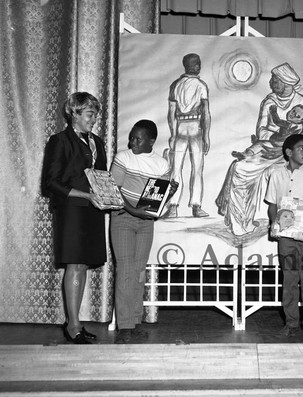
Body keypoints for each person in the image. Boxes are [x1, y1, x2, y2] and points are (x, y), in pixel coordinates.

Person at [216, 63, 303, 236]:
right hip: (269, 148)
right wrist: (276, 139)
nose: (270, 83)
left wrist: (290, 139)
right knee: (240, 168)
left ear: (285, 82)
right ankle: (242, 223)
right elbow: (261, 130)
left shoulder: (301, 102)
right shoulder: (269, 101)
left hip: (290, 154)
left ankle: (295, 225)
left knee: (294, 176)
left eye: (274, 80)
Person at [42, 92, 107, 344]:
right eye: (90, 115)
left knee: (82, 265)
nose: (94, 120)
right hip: (71, 210)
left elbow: (100, 177)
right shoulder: (59, 141)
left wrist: (106, 196)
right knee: (74, 264)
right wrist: (85, 195)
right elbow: (51, 183)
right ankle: (73, 326)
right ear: (74, 114)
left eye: (95, 115)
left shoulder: (97, 142)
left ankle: (74, 323)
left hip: (92, 210)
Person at [110, 120, 177, 344]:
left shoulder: (162, 164)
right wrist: (133, 211)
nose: (132, 142)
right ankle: (125, 326)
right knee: (126, 270)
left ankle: (135, 321)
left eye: (138, 139)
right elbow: (114, 192)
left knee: (139, 272)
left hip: (146, 222)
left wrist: (169, 193)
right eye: (131, 138)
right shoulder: (123, 158)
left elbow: (156, 201)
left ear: (151, 141)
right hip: (123, 218)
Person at [265, 134, 303, 340]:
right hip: (286, 238)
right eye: (301, 148)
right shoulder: (276, 174)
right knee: (289, 279)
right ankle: (291, 323)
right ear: (289, 152)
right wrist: (276, 223)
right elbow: (273, 205)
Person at [163, 53, 211, 218]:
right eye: (196, 64)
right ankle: (194, 206)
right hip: (195, 127)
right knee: (195, 169)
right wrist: (206, 136)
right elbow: (205, 113)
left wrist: (172, 133)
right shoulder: (201, 85)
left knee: (176, 169)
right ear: (195, 66)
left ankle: (174, 206)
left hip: (181, 128)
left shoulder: (175, 85)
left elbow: (171, 114)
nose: (197, 67)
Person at [231, 104, 303, 161]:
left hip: (277, 146)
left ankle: (245, 155)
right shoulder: (299, 127)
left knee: (260, 145)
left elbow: (277, 121)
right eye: (293, 111)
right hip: (279, 143)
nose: (293, 115)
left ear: (300, 121)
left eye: (297, 116)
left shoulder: (289, 124)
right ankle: (257, 142)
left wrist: (273, 112)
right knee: (265, 138)